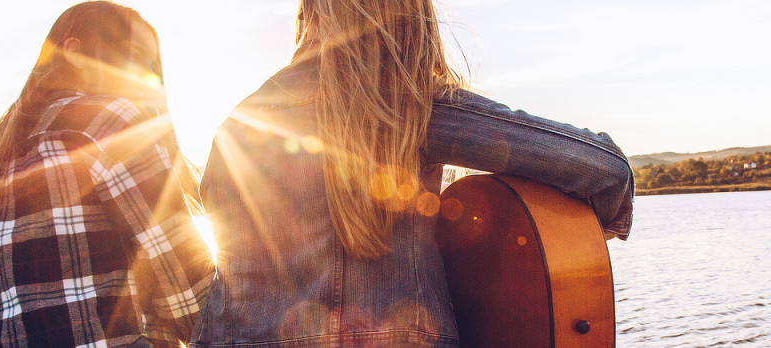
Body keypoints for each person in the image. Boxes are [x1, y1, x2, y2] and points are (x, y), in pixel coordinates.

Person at [190, 0, 634, 347]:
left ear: (309, 15)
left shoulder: (239, 123)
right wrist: (578, 234)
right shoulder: (406, 108)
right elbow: (605, 168)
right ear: (413, 22)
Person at [0, 2, 214, 347]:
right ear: (75, 53)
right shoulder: (110, 122)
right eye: (135, 56)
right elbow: (189, 293)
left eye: (152, 65)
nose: (148, 76)